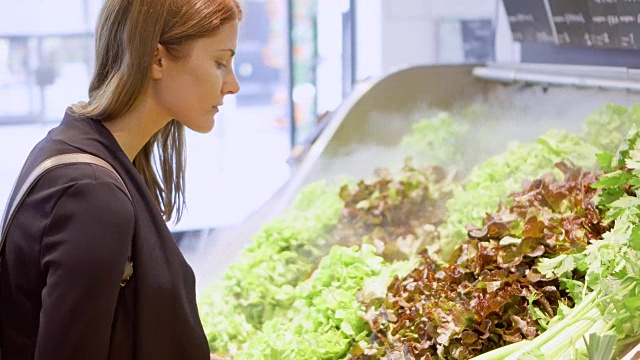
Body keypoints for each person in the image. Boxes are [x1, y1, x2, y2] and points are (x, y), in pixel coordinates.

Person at [0, 0, 241, 359]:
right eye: (220, 62)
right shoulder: (92, 194)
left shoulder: (77, 148)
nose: (232, 85)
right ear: (157, 60)